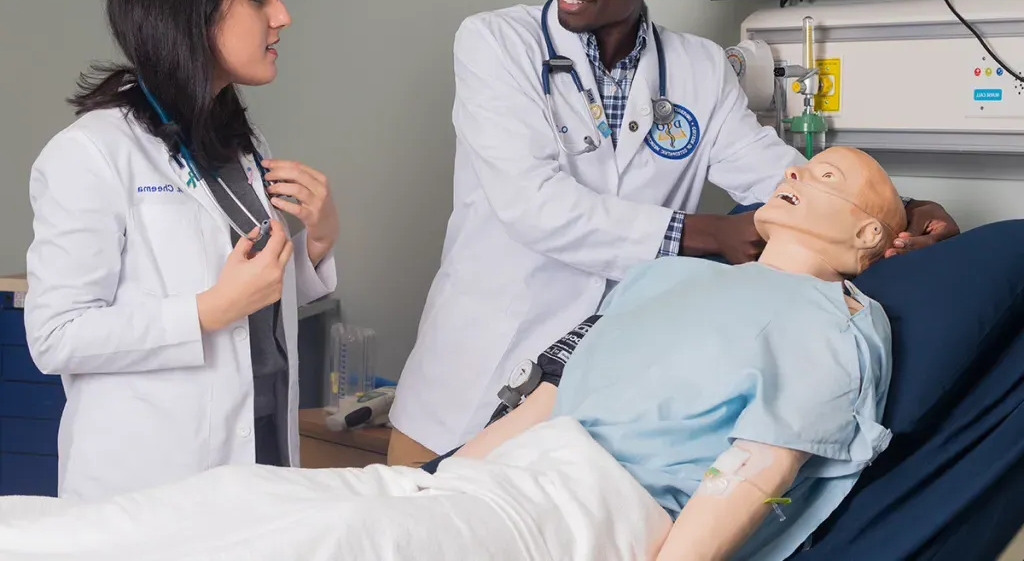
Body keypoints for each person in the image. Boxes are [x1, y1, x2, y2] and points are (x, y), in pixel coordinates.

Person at [0, 147, 901, 561]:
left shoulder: (838, 322)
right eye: (802, 162)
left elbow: (755, 467)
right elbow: (554, 398)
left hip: (599, 508)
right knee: (237, 500)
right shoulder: (669, 277)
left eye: (825, 176)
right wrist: (438, 476)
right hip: (505, 476)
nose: (793, 170)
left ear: (867, 232)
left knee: (327, 539)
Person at [386, 0, 960, 465]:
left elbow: (781, 177)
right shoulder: (496, 43)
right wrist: (704, 234)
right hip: (475, 367)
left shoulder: (698, 69)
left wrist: (905, 214)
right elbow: (532, 205)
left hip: (603, 384)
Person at [23, 0, 340, 501]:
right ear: (193, 13)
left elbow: (254, 297)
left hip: (264, 452)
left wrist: (314, 245)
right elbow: (56, 335)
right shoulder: (91, 153)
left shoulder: (242, 143)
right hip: (153, 481)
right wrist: (207, 310)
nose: (281, 15)